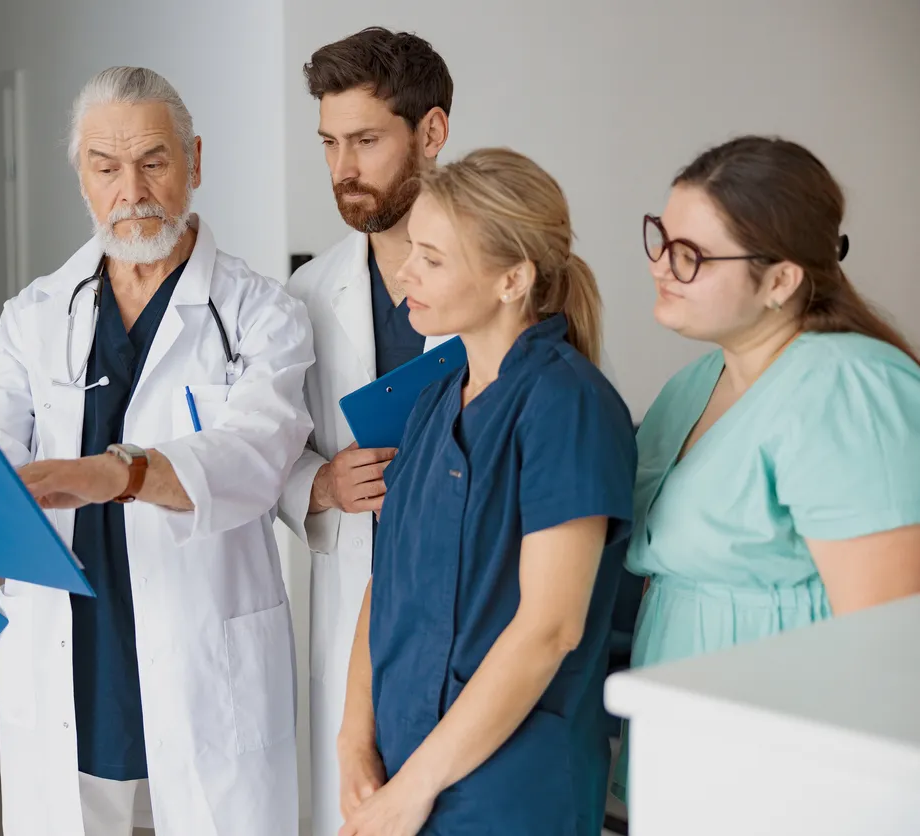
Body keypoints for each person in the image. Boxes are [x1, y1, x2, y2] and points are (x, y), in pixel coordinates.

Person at [0, 67, 313, 836]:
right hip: (71, 656)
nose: (130, 189)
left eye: (153, 161)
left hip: (203, 653)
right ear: (81, 175)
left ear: (196, 163)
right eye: (105, 167)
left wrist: (113, 474)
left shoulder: (260, 314)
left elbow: (255, 460)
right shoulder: (36, 315)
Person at [336, 148, 637, 836]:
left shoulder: (568, 406)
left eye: (433, 259)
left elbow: (550, 627)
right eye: (412, 248)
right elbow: (386, 585)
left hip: (510, 787)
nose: (405, 273)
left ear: (512, 281)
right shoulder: (433, 402)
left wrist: (413, 788)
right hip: (404, 765)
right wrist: (355, 742)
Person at [612, 135, 920, 800]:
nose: (662, 266)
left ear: (780, 279)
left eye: (690, 255)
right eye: (662, 240)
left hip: (789, 763)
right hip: (682, 746)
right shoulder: (694, 384)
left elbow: (887, 640)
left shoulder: (847, 389)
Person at [274, 29, 452, 836]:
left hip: (469, 595)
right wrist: (320, 481)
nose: (344, 168)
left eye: (368, 141)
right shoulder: (307, 293)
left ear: (432, 133)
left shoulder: (512, 274)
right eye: (330, 144)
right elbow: (273, 446)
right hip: (356, 604)